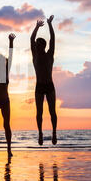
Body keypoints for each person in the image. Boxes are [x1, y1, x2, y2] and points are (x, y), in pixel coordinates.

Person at [30, 15, 58, 145]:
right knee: (39, 112)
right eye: (35, 45)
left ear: (42, 46)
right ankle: (40, 133)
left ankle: (54, 132)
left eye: (37, 44)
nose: (35, 46)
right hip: (39, 86)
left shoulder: (49, 54)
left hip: (49, 85)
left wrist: (50, 24)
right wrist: (36, 27)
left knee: (52, 111)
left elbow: (53, 39)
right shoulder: (35, 55)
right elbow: (31, 39)